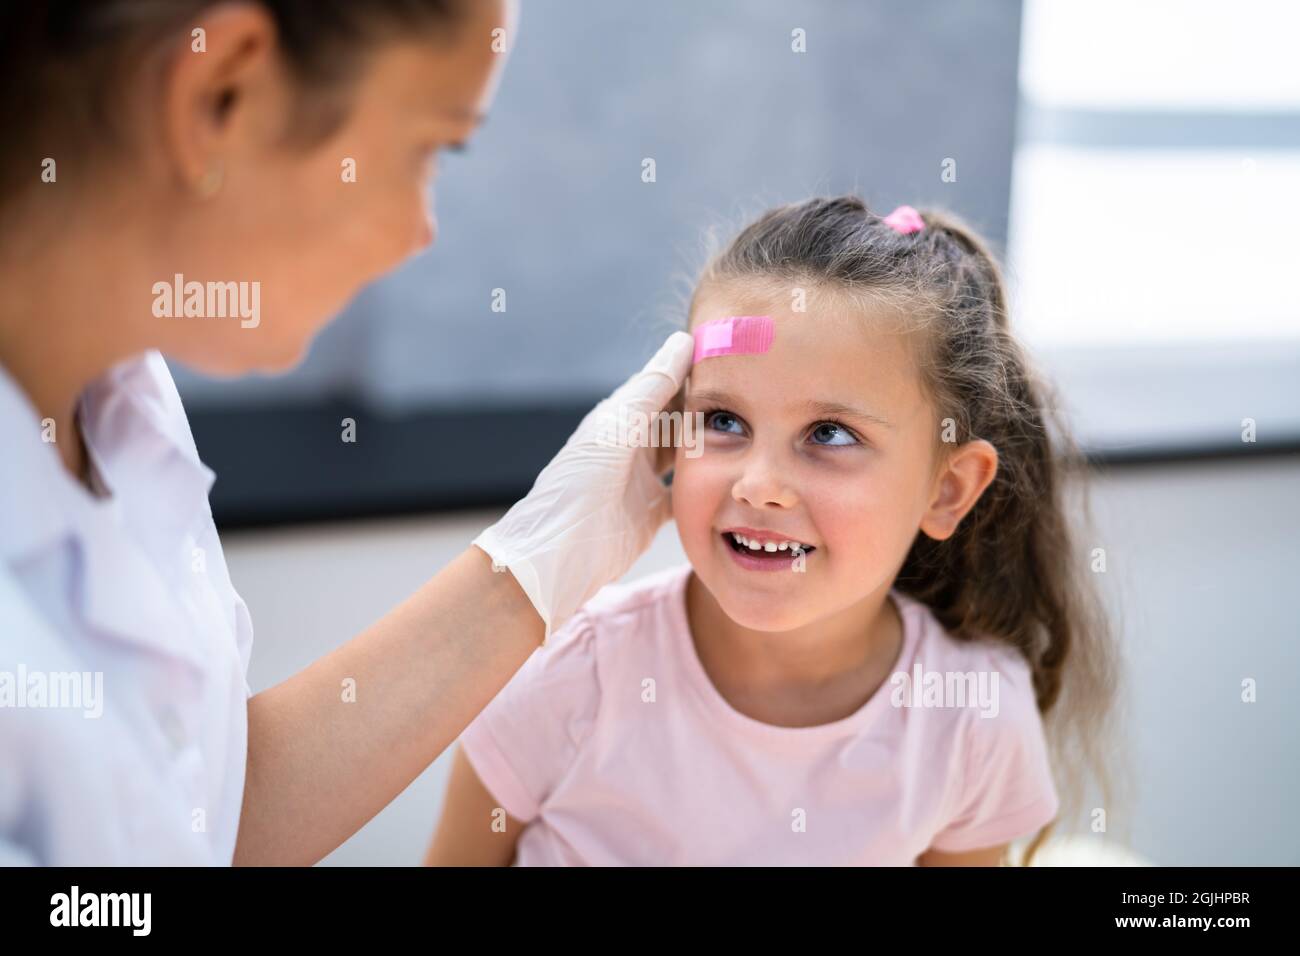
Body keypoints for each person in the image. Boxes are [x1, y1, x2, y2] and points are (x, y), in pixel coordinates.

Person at [0, 0, 694, 865]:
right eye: (433, 147)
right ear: (223, 92)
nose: (420, 234)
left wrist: (538, 561)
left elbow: (205, 822)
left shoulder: (115, 405)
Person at [425, 196, 1120, 866]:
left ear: (946, 489)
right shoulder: (567, 674)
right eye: (723, 420)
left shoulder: (975, 720)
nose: (758, 483)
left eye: (829, 433)